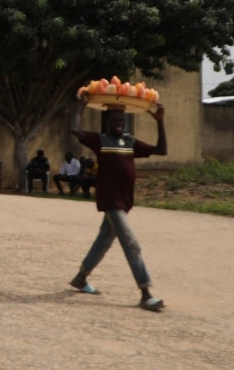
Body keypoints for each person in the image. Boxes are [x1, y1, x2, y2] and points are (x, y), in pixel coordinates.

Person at [69, 98, 168, 312]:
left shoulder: (130, 142)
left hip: (124, 201)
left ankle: (80, 277)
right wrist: (81, 106)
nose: (119, 123)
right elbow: (74, 129)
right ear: (106, 122)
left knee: (103, 241)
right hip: (110, 201)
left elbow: (162, 150)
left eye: (122, 120)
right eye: (114, 119)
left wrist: (160, 121)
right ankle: (145, 293)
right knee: (131, 244)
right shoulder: (100, 140)